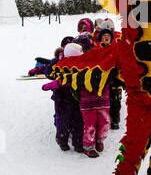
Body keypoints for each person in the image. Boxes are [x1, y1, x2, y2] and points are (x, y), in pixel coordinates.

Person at [42, 42, 84, 152]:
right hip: (61, 98)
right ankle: (62, 140)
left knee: (78, 121)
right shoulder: (58, 62)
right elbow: (48, 72)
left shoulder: (82, 60)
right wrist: (59, 78)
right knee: (63, 120)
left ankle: (78, 143)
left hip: (76, 97)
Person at [80, 29, 113, 157]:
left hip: (103, 97)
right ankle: (88, 146)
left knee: (104, 122)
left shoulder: (105, 56)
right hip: (87, 100)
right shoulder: (80, 61)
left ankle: (100, 140)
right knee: (90, 124)